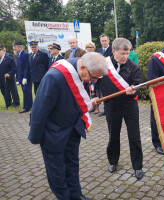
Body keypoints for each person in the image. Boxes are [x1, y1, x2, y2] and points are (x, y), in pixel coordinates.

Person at [28, 52, 108, 200]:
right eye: (93, 77)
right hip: (54, 133)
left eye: (97, 78)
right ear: (83, 67)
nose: (95, 81)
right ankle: (64, 197)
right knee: (57, 171)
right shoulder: (55, 76)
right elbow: (39, 109)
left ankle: (76, 195)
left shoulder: (83, 69)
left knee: (72, 165)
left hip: (73, 129)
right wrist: (35, 136)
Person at [101, 38, 143, 180]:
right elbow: (97, 82)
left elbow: (138, 84)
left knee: (134, 137)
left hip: (130, 107)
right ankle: (113, 161)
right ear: (113, 51)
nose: (125, 56)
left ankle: (137, 166)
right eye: (122, 53)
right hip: (112, 107)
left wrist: (134, 91)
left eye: (127, 53)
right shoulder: (104, 66)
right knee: (113, 136)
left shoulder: (134, 67)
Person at [13, 41, 32, 114]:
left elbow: (27, 66)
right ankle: (30, 105)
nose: (14, 48)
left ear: (20, 47)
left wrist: (25, 77)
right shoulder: (18, 55)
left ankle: (26, 107)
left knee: (26, 92)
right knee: (25, 92)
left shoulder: (25, 54)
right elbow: (18, 67)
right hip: (22, 77)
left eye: (15, 46)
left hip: (26, 77)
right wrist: (18, 78)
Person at [97, 34, 113, 117]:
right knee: (103, 93)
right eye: (102, 41)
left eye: (105, 41)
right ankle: (106, 110)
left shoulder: (112, 50)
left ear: (108, 41)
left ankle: (111, 109)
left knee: (111, 93)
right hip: (101, 75)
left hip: (110, 74)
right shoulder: (99, 50)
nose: (103, 42)